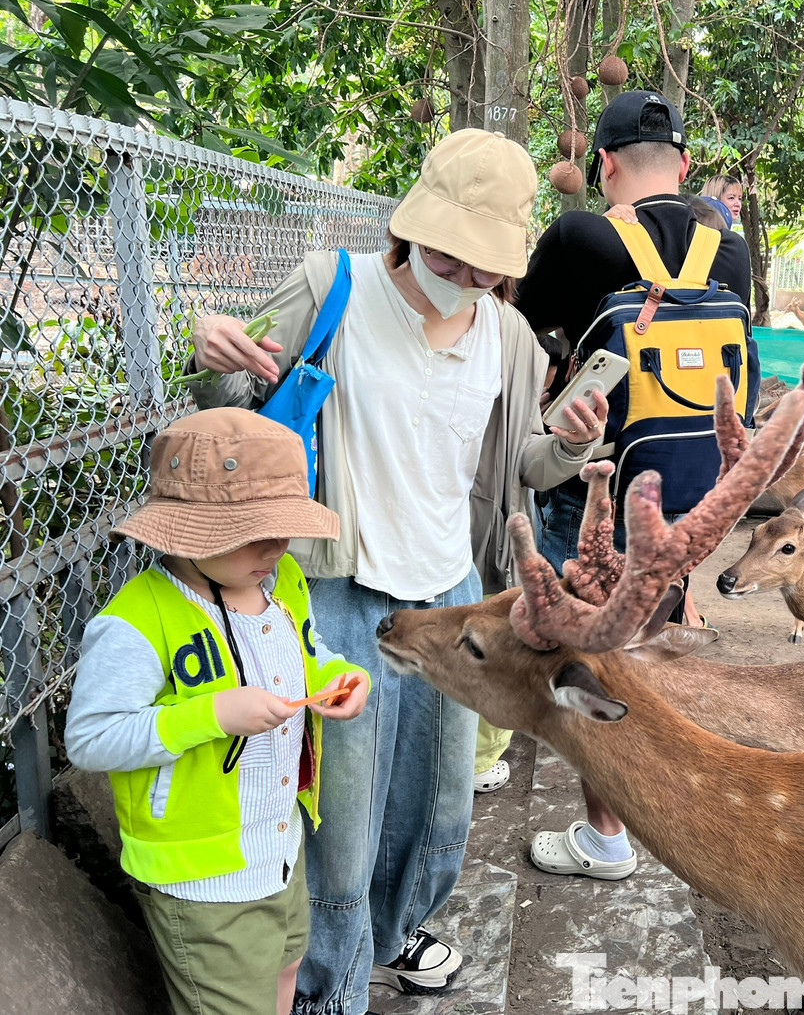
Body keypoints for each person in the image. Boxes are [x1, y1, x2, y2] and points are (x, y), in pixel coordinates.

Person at [187, 130, 604, 1014]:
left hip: (451, 585)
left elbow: (521, 461)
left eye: (486, 259)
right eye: (451, 245)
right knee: (343, 809)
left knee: (442, 799)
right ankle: (332, 985)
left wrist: (572, 443)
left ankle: (400, 925)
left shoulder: (510, 333)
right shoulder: (331, 285)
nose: (465, 270)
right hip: (338, 582)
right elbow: (230, 398)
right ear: (412, 221)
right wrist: (213, 354)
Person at [515, 90, 751, 882]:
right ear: (684, 167)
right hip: (689, 487)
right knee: (652, 635)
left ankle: (607, 832)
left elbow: (518, 323)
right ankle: (672, 797)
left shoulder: (579, 234)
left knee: (597, 651)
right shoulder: (731, 251)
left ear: (603, 164)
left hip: (594, 483)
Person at [65, 409, 371, 1015]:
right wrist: (210, 715)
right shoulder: (136, 623)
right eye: (256, 531)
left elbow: (308, 653)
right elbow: (90, 740)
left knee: (285, 965)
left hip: (279, 843)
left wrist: (338, 676)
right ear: (187, 532)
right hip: (201, 877)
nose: (279, 547)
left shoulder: (281, 581)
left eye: (286, 527)